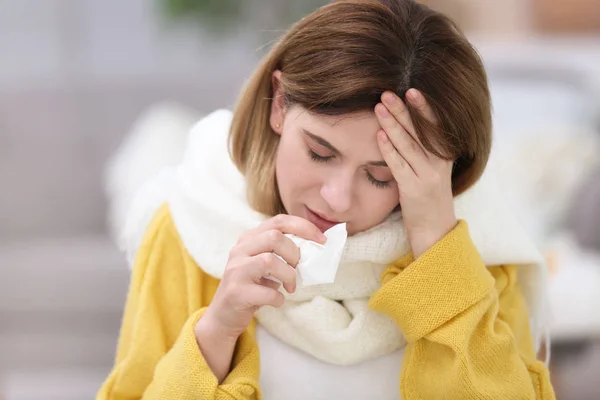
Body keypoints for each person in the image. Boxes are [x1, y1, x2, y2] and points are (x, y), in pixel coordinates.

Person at [97, 0, 556, 398]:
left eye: (381, 176)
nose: (336, 199)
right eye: (320, 152)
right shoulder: (191, 229)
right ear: (279, 104)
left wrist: (437, 249)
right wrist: (216, 332)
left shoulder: (478, 254)